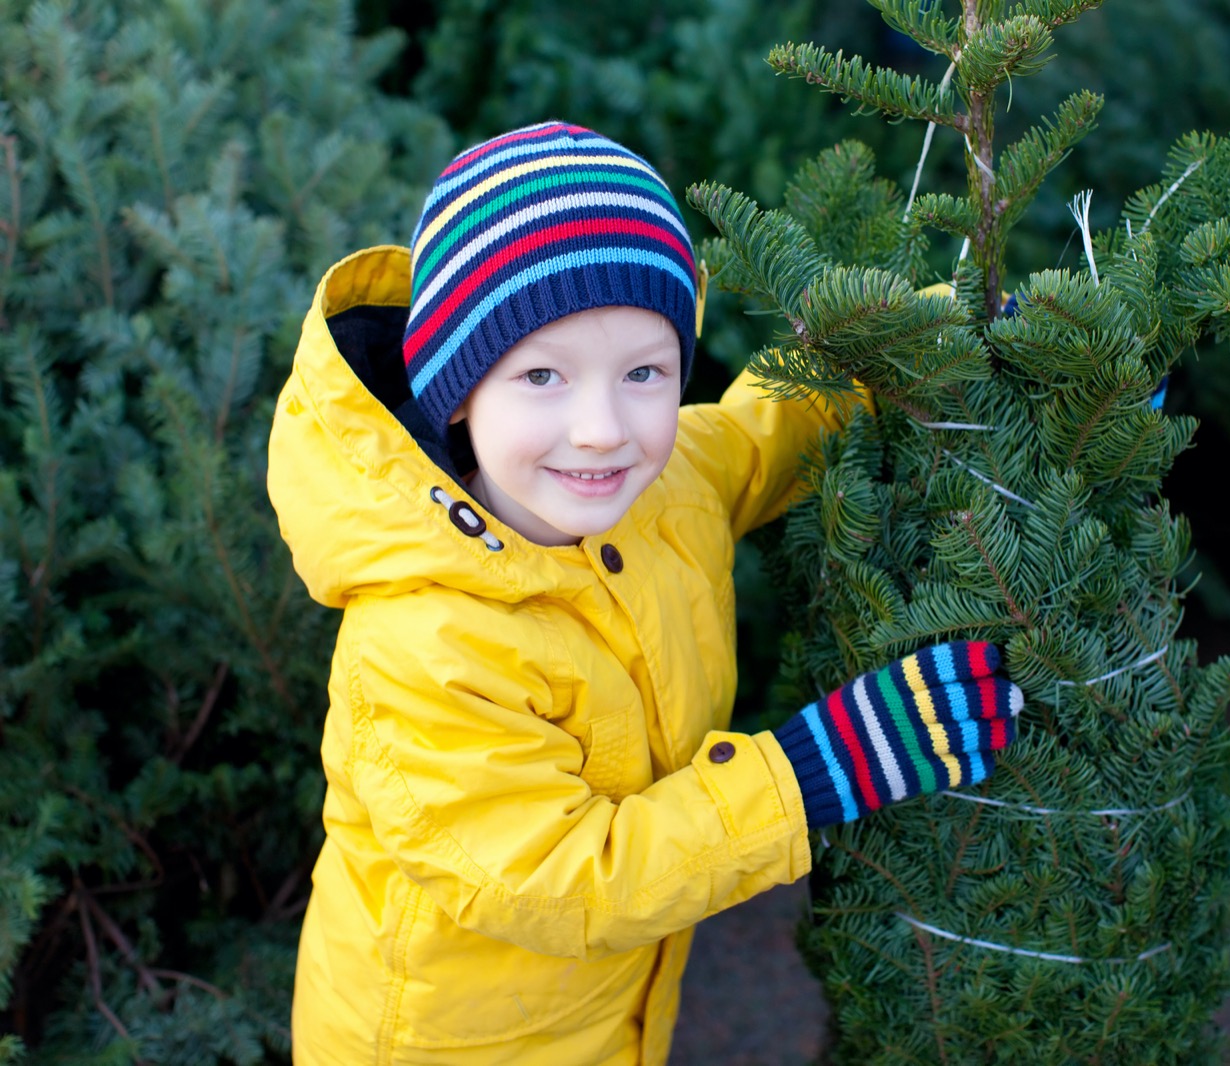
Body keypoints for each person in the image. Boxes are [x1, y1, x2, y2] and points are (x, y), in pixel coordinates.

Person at [267, 121, 1023, 1066]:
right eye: (542, 375)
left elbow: (769, 429)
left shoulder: (660, 491)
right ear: (455, 388)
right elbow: (565, 881)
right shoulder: (425, 644)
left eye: (643, 374)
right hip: (438, 1042)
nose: (600, 429)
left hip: (604, 1013)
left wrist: (953, 341)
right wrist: (807, 774)